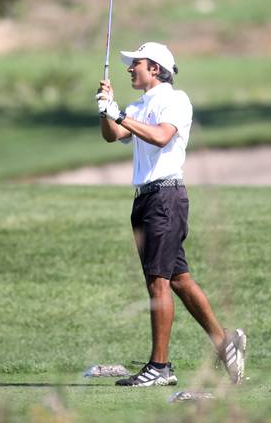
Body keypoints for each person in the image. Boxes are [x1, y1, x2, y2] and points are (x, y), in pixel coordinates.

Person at [96, 41, 246, 387]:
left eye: (137, 63)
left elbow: (162, 137)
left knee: (157, 282)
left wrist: (120, 115)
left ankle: (160, 367)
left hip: (166, 198)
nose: (130, 68)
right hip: (146, 201)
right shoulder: (137, 105)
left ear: (156, 69)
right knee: (178, 279)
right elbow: (113, 135)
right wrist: (106, 110)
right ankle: (226, 347)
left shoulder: (176, 100)